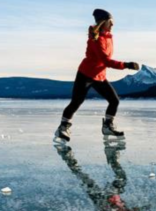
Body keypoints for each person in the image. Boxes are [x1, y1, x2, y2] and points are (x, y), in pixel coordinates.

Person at [54, 9, 141, 143]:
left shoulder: (108, 37)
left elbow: (104, 62)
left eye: (113, 22)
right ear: (103, 22)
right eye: (110, 22)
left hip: (99, 75)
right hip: (86, 74)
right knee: (76, 102)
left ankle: (108, 126)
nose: (112, 25)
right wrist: (126, 65)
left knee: (114, 100)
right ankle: (62, 128)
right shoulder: (96, 39)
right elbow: (106, 61)